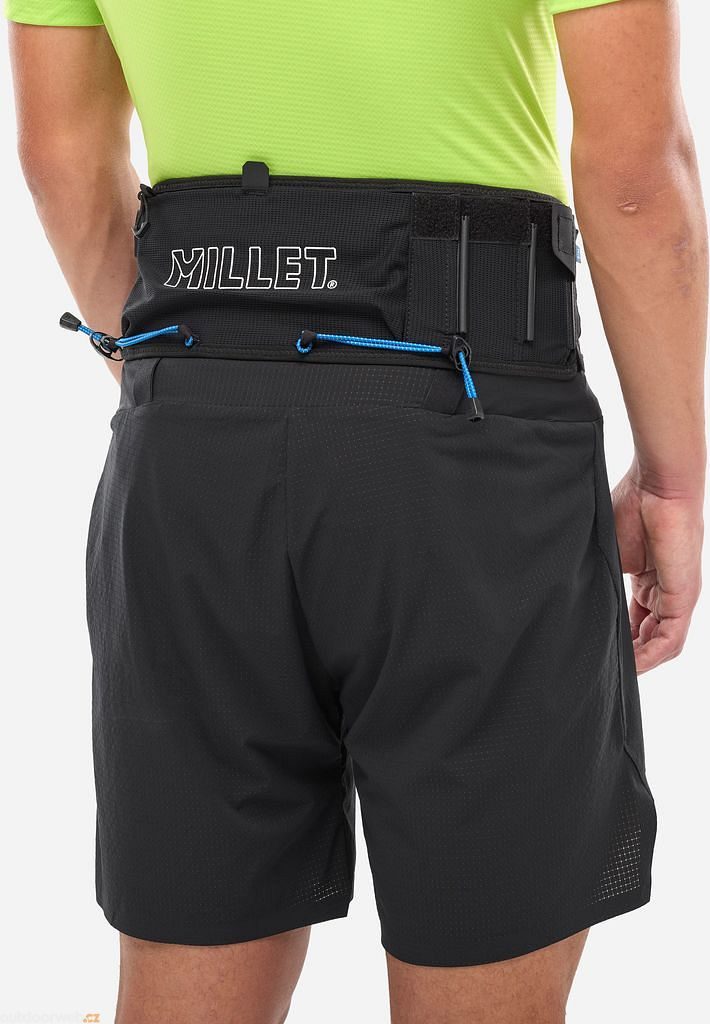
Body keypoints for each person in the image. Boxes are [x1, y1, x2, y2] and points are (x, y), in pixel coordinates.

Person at [6, 0, 706, 1021]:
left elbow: (58, 156)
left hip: (188, 450)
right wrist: (672, 479)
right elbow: (637, 179)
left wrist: (192, 375)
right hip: (466, 449)